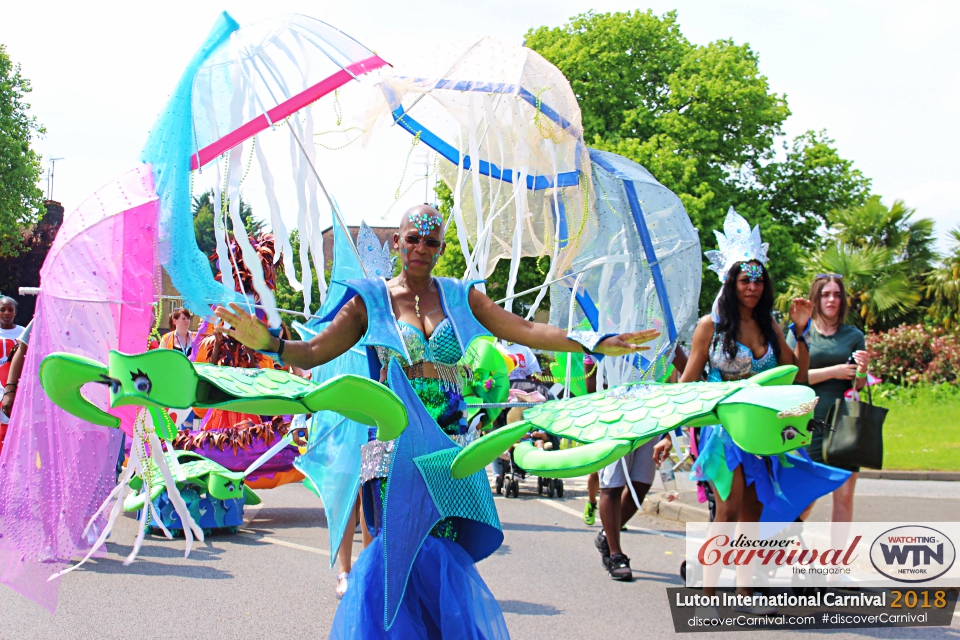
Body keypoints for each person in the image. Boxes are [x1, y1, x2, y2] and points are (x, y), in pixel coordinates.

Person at [214, 204, 658, 639]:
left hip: (448, 445)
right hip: (394, 443)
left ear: (441, 249)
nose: (421, 248)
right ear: (397, 242)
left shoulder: (460, 297)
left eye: (431, 242)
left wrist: (593, 341)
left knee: (440, 548)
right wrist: (269, 343)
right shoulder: (372, 298)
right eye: (413, 239)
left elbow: (526, 330)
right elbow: (313, 352)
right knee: (393, 551)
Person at [653, 209, 849, 609]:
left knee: (753, 513)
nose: (753, 287)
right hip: (724, 430)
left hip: (760, 430)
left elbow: (796, 376)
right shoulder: (711, 325)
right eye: (745, 280)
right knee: (727, 508)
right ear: (731, 282)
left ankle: (744, 592)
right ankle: (708, 593)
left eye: (759, 280)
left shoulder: (770, 326)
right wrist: (669, 429)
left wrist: (800, 331)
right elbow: (687, 381)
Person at [793, 275, 868, 523]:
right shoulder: (800, 333)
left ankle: (837, 561)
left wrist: (863, 371)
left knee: (844, 497)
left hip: (845, 424)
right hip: (807, 421)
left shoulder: (853, 336)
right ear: (816, 298)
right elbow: (791, 378)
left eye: (837, 294)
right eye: (826, 294)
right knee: (804, 496)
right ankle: (779, 547)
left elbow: (857, 385)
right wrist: (833, 372)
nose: (832, 300)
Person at [593, 440, 661, 580]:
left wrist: (668, 435)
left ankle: (607, 535)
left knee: (640, 486)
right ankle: (615, 555)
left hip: (651, 426)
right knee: (612, 486)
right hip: (615, 428)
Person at [0, 296, 24, 389]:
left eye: (10, 310)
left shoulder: (24, 332)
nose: (6, 313)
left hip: (18, 383)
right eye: (2, 310)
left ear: (15, 312)